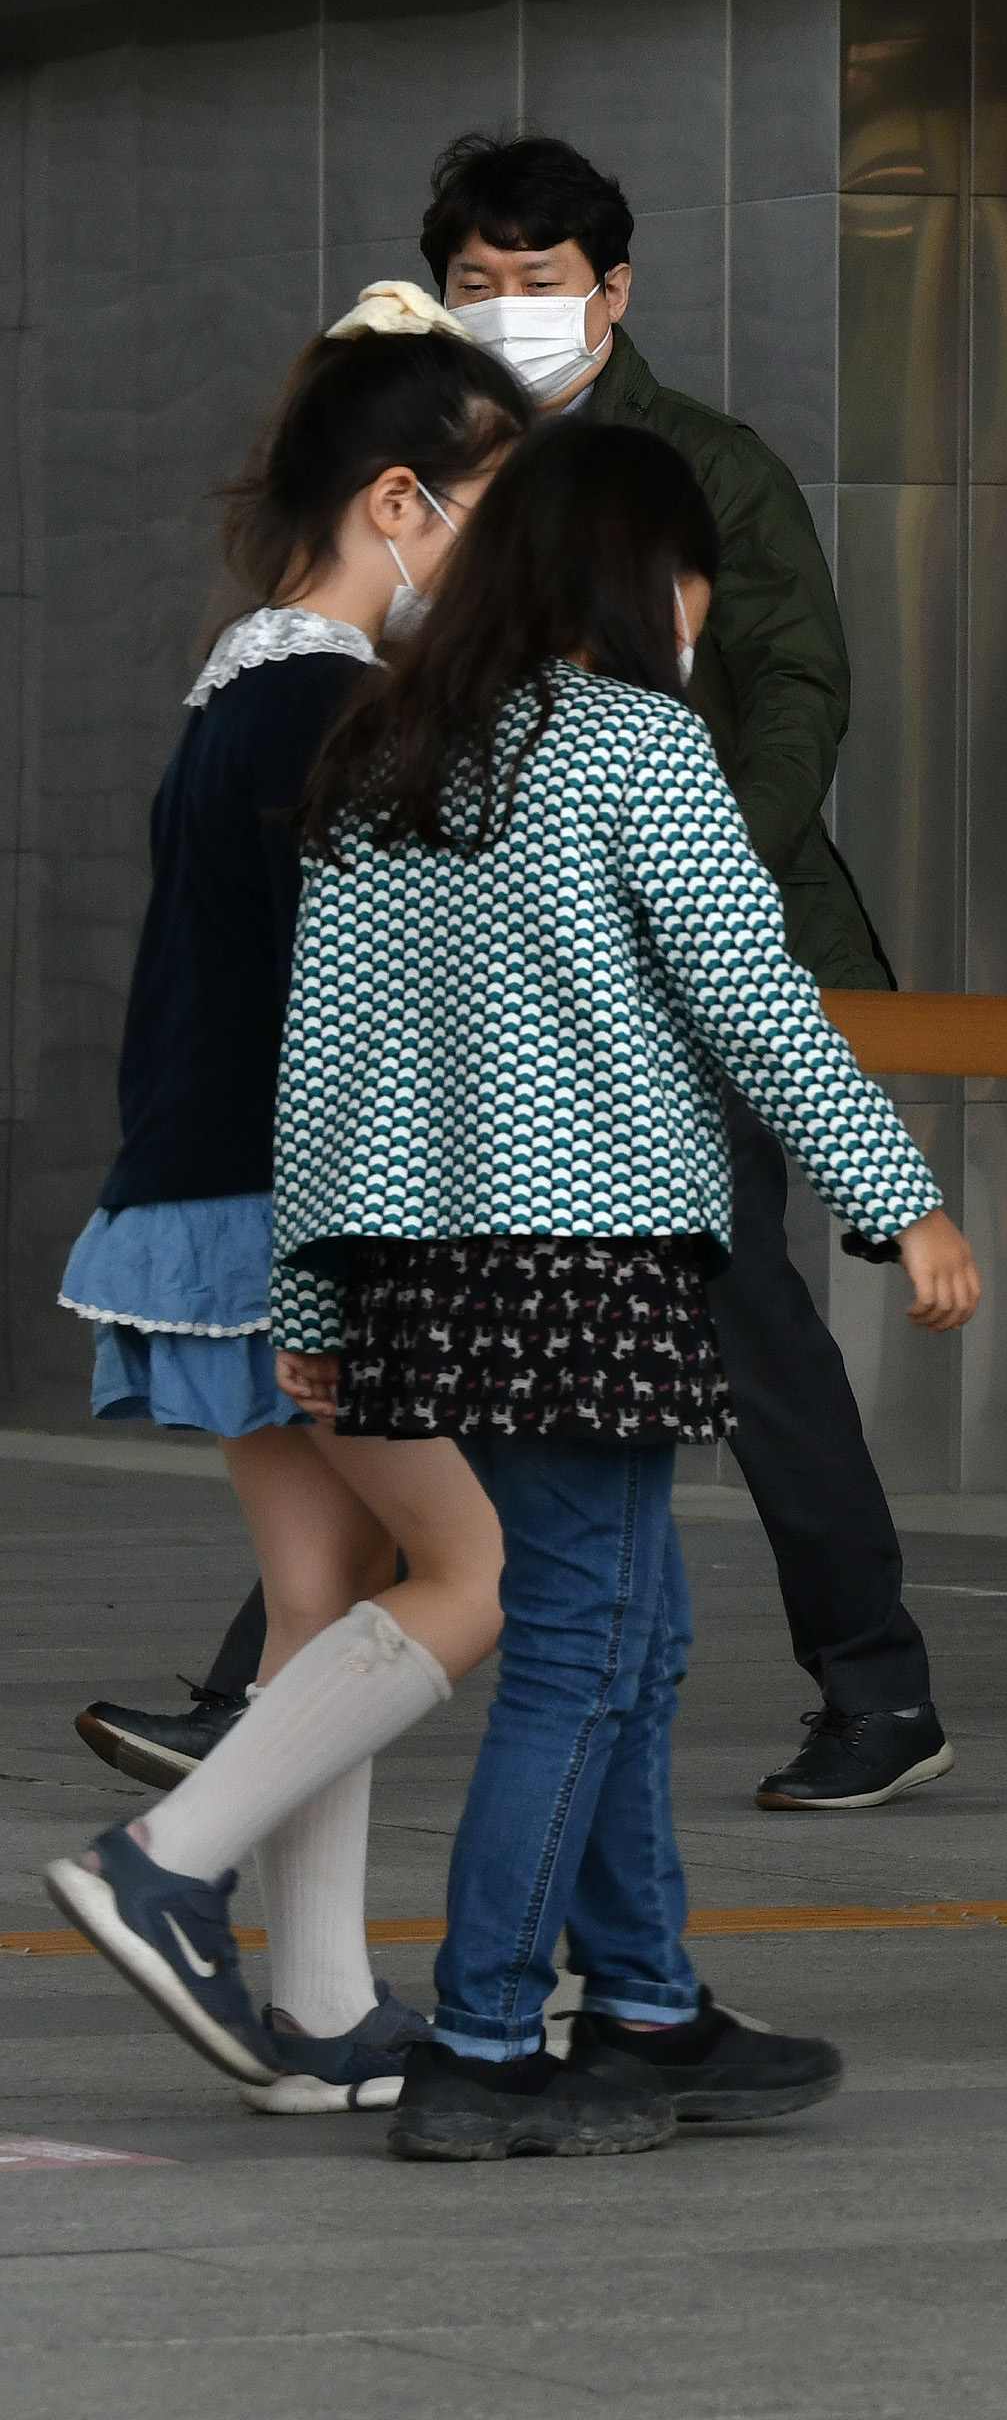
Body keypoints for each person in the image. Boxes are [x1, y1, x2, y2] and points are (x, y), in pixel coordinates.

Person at [85, 132, 949, 1818]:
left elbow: (791, 689)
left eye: (537, 280)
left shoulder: (703, 460)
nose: (509, 306)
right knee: (422, 1309)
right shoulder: (418, 465)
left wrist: (679, 858)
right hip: (480, 958)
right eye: (477, 280)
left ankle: (876, 1679)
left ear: (610, 291)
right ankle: (270, 1683)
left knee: (738, 1315)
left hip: (659, 935)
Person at [261, 418, 984, 2160]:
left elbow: (320, 1050)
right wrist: (902, 1203)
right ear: (650, 581)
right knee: (584, 1647)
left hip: (419, 1266)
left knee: (628, 1635)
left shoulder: (386, 752)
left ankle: (650, 2001)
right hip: (585, 1263)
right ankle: (493, 2040)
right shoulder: (637, 747)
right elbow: (753, 999)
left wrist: (308, 1293)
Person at [39, 296, 530, 2119]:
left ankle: (320, 2006)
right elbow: (359, 1017)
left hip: (201, 1191)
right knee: (479, 1572)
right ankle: (168, 1863)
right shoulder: (331, 708)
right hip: (292, 1207)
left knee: (329, 1591)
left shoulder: (237, 688)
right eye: (492, 518)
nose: (502, 567)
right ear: (398, 500)